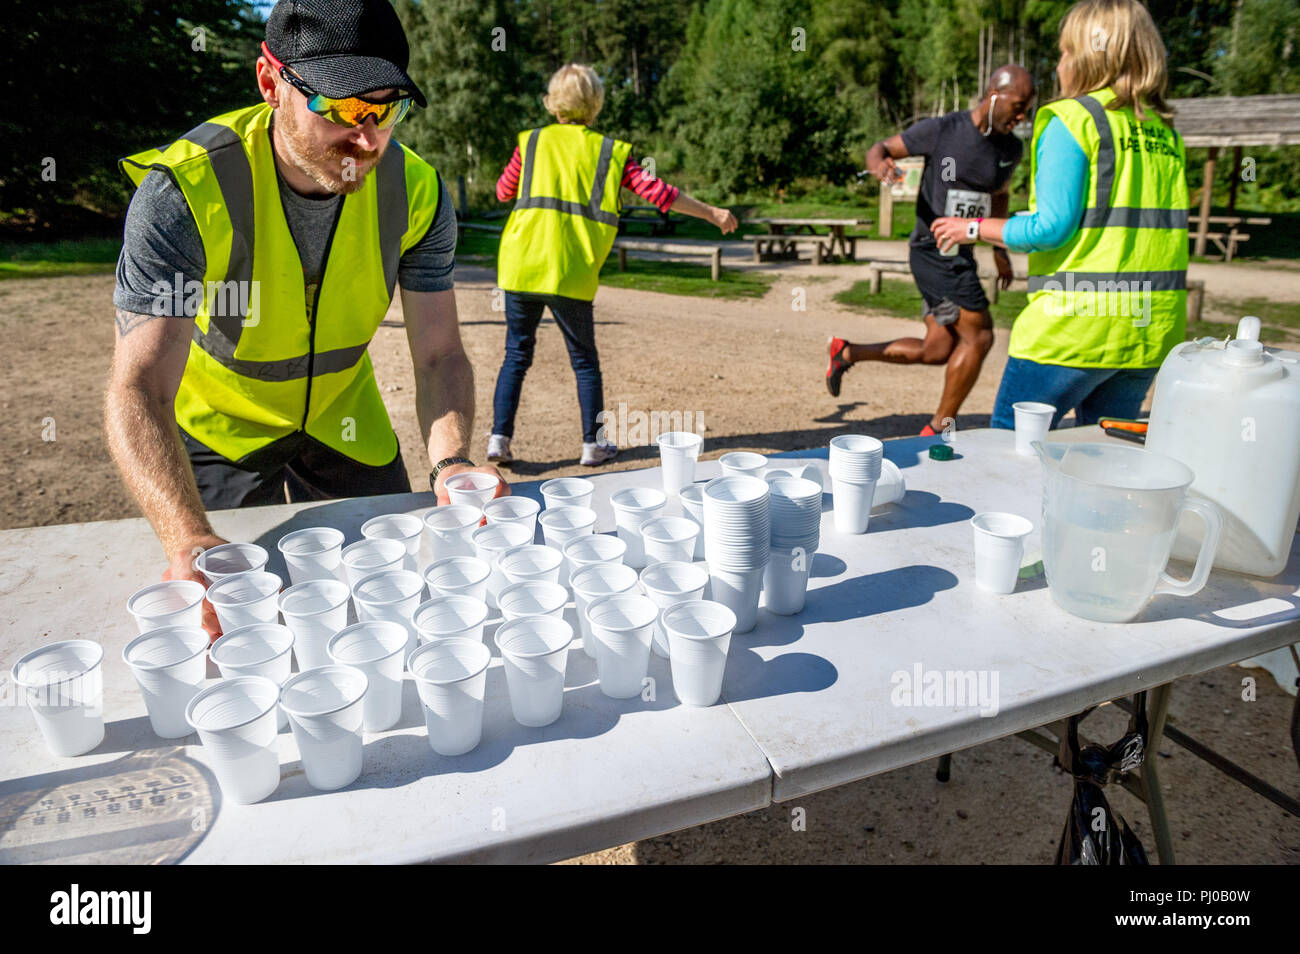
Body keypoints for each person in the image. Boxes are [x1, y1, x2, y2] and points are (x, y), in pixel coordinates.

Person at [106, 0, 505, 635]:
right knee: (228, 615)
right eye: (342, 108)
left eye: (386, 110)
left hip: (346, 420)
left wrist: (451, 462)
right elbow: (140, 387)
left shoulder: (419, 191)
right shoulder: (184, 191)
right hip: (223, 431)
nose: (367, 138)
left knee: (395, 596)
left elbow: (439, 354)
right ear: (270, 83)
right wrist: (186, 537)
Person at [931, 0, 1189, 430]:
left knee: (1012, 458)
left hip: (1073, 331)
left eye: (1065, 51)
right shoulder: (1167, 134)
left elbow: (1049, 227)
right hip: (1150, 331)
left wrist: (971, 227)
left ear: (1090, 56)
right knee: (1104, 461)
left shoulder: (1072, 121)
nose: (1059, 64)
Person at [489, 64, 738, 467]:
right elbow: (659, 193)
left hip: (520, 264)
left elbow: (503, 191)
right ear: (595, 104)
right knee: (584, 360)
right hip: (571, 268)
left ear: (553, 103)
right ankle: (593, 444)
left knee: (516, 355)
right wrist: (711, 212)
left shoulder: (530, 142)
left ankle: (498, 440)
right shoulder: (610, 152)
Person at [826, 66, 1035, 436]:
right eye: (1018, 107)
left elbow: (998, 196)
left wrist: (1000, 252)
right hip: (932, 250)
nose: (1023, 117)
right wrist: (878, 164)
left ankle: (847, 352)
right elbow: (882, 148)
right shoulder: (943, 130)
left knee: (936, 350)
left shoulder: (1011, 148)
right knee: (981, 335)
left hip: (962, 252)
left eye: (1028, 108)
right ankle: (939, 428)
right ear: (993, 96)